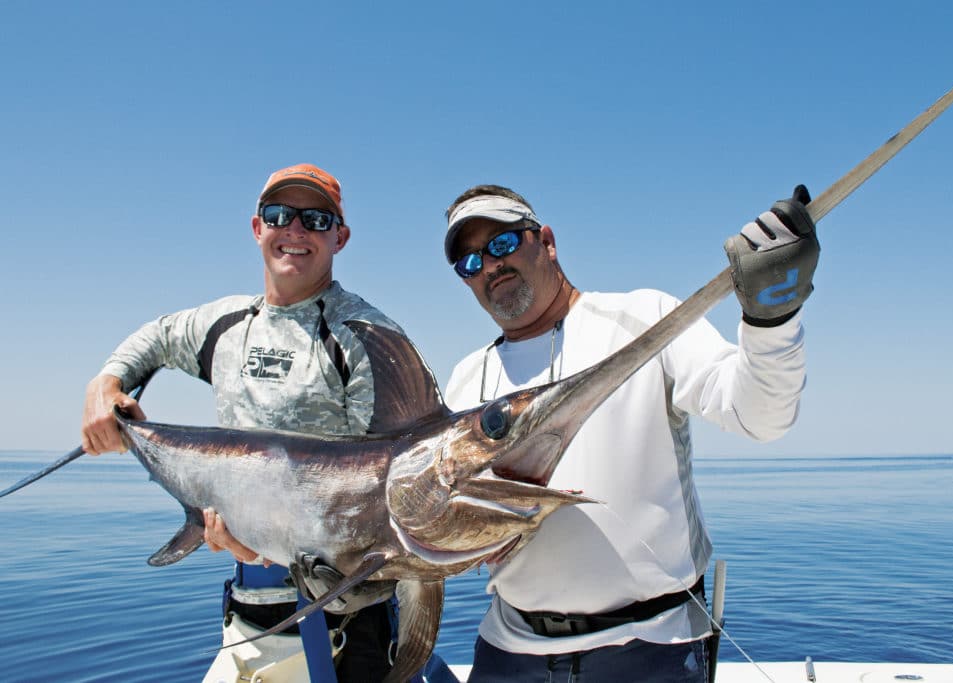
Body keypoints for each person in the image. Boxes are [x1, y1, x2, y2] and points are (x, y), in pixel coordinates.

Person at [441, 184, 819, 682]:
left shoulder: (645, 317)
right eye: (469, 262)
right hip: (507, 652)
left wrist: (772, 318)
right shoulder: (467, 378)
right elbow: (446, 523)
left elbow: (758, 415)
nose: (489, 265)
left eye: (502, 244)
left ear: (546, 240)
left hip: (651, 649)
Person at [81, 163, 404, 683]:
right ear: (258, 228)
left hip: (341, 623)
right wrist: (106, 384)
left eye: (316, 220)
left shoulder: (364, 336)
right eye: (280, 215)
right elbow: (157, 336)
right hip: (247, 613)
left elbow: (387, 490)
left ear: (340, 237)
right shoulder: (227, 325)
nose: (294, 230)